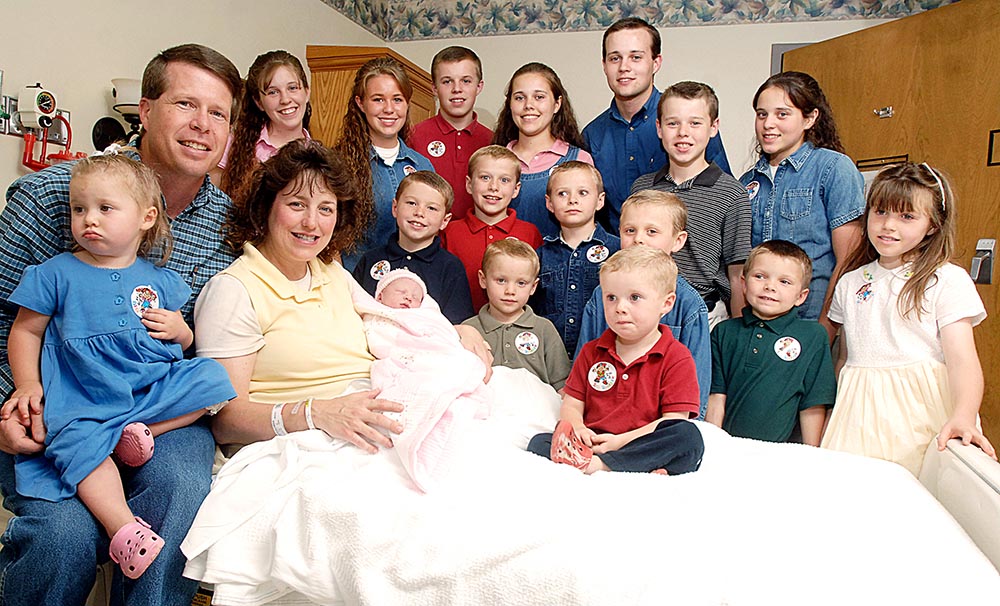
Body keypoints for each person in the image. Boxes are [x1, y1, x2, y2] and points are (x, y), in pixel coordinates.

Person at [0, 43, 241, 606]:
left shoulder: (228, 225)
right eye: (186, 104)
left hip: (154, 408)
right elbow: (8, 325)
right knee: (65, 537)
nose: (201, 126)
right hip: (65, 406)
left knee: (179, 491)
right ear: (146, 109)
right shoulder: (55, 197)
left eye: (218, 113)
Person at [194, 139, 490, 459]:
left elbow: (393, 318)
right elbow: (226, 421)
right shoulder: (233, 290)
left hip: (370, 419)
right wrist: (316, 414)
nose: (312, 222)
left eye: (325, 208)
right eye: (296, 204)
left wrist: (459, 330)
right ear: (266, 206)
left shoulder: (331, 271)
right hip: (301, 446)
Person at [821, 163, 997, 476]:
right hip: (858, 414)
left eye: (907, 216)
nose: (888, 225)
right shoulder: (850, 282)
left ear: (932, 225)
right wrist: (834, 413)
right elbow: (846, 359)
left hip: (920, 414)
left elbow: (963, 361)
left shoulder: (946, 279)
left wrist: (964, 415)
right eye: (880, 212)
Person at [526, 246, 704, 475]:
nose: (620, 308)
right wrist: (578, 428)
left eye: (635, 298)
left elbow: (673, 420)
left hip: (642, 442)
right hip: (593, 441)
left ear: (666, 303)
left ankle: (605, 466)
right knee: (538, 443)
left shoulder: (676, 357)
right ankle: (626, 465)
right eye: (611, 298)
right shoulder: (592, 351)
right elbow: (571, 404)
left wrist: (619, 443)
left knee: (687, 437)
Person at [739, 71, 864, 332]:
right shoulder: (747, 182)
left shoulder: (833, 168)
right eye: (762, 114)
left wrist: (824, 331)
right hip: (757, 327)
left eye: (782, 114)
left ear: (809, 118)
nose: (768, 124)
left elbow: (849, 262)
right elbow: (741, 263)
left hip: (811, 321)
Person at [583, 17, 730, 232]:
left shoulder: (688, 126)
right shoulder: (592, 135)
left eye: (635, 57)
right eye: (615, 58)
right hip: (618, 257)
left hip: (688, 258)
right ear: (604, 65)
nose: (624, 67)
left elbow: (723, 194)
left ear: (656, 62)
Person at [576, 190, 711, 417]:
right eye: (630, 230)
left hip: (659, 422)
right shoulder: (602, 295)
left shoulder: (689, 306)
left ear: (678, 241)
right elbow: (583, 367)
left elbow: (696, 390)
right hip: (603, 414)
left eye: (651, 232)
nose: (638, 239)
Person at [356, 268, 491, 491]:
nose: (409, 297)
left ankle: (452, 401)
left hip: (433, 354)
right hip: (405, 358)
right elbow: (381, 341)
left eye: (416, 296)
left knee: (454, 366)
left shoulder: (426, 317)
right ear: (380, 296)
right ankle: (426, 427)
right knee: (420, 384)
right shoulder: (376, 317)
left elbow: (443, 335)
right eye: (401, 291)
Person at [630, 81, 750, 328]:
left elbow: (737, 273)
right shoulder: (642, 188)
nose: (683, 132)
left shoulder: (731, 193)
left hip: (704, 315)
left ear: (713, 127)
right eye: (673, 123)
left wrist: (740, 335)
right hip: (644, 310)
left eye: (695, 123)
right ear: (659, 128)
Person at [706, 240, 835, 444]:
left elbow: (813, 404)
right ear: (743, 283)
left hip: (780, 454)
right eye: (760, 276)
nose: (769, 286)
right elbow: (716, 397)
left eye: (784, 282)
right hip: (729, 449)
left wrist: (813, 455)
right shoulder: (724, 332)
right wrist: (713, 446)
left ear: (801, 296)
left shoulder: (813, 336)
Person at [335, 56, 435, 271]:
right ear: (360, 103)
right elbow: (329, 239)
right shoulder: (338, 164)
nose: (389, 109)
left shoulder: (423, 167)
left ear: (407, 103)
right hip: (355, 287)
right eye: (378, 99)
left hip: (412, 289)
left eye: (397, 99)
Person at [352, 171, 473, 324]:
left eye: (431, 208)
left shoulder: (450, 268)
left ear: (445, 220)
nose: (419, 213)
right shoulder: (370, 260)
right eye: (411, 203)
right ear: (395, 207)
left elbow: (457, 326)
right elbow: (352, 312)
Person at [491, 62, 593, 239]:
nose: (528, 105)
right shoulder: (494, 162)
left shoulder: (580, 159)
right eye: (519, 98)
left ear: (557, 104)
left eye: (539, 97)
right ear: (510, 105)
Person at [532, 161, 620, 354]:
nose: (572, 200)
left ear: (600, 200)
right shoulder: (539, 257)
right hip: (553, 360)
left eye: (583, 193)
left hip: (604, 357)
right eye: (562, 193)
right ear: (549, 203)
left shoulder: (619, 251)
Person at [442, 145, 542, 311]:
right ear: (468, 184)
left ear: (516, 189)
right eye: (485, 177)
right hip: (459, 327)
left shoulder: (530, 233)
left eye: (504, 180)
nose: (494, 187)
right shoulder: (450, 232)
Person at [463, 240, 570, 391]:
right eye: (501, 280)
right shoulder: (468, 330)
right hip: (484, 411)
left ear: (533, 287)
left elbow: (563, 386)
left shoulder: (544, 329)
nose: (510, 291)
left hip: (538, 411)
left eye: (521, 283)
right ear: (483, 279)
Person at [216, 50, 312, 206]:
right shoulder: (231, 147)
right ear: (259, 102)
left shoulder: (319, 158)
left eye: (293, 88)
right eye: (273, 92)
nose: (285, 99)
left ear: (306, 93)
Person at [408, 46, 493, 220]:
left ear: (479, 86)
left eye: (466, 81)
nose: (457, 89)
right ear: (434, 88)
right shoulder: (414, 136)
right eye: (447, 81)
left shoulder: (493, 141)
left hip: (476, 239)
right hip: (426, 239)